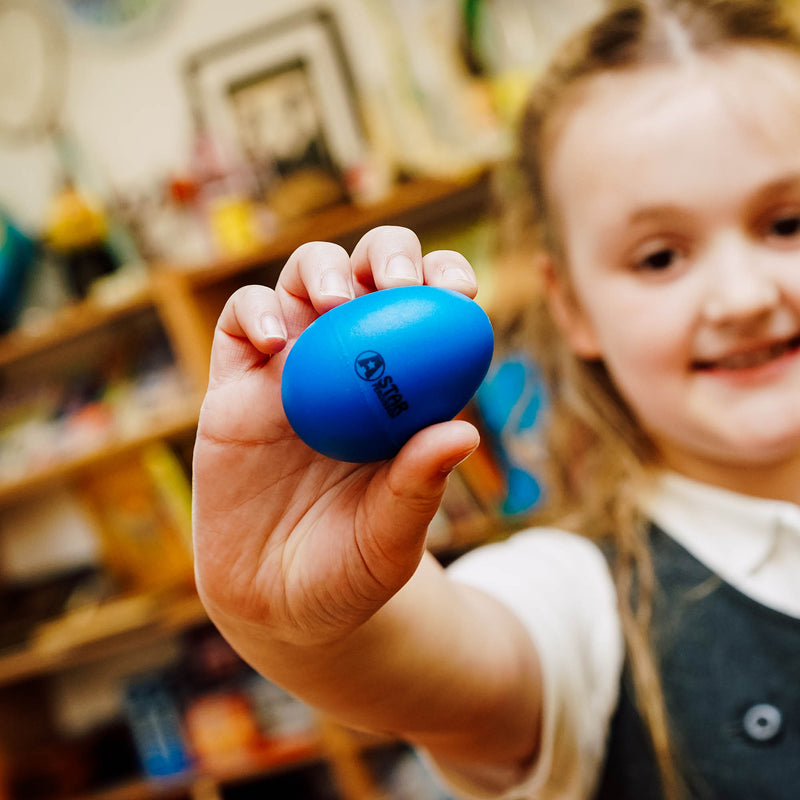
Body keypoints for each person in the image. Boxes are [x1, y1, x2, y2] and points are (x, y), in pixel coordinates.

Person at [191, 1, 800, 797]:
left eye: (787, 222)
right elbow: (459, 662)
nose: (742, 296)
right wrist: (299, 630)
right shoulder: (579, 601)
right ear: (572, 306)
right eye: (658, 257)